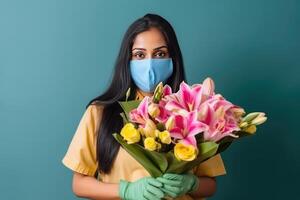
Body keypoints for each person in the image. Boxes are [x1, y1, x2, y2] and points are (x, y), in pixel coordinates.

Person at [62, 13, 226, 200]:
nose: (150, 64)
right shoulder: (99, 113)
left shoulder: (196, 113)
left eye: (160, 54)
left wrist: (191, 184)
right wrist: (127, 191)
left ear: (173, 58)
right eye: (140, 55)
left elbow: (210, 185)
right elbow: (79, 184)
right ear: (127, 60)